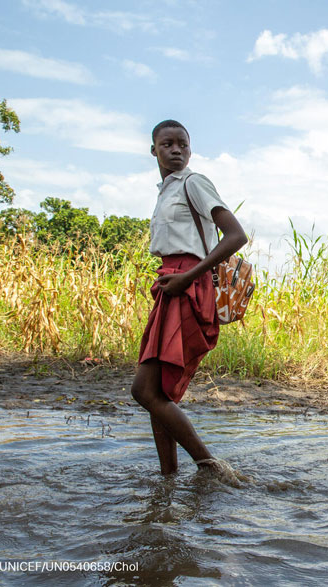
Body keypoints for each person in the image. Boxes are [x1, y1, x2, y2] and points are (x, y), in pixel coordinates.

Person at [131, 119, 248, 479]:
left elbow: (235, 235)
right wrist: (176, 279)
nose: (176, 150)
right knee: (157, 392)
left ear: (190, 148)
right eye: (167, 144)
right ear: (154, 150)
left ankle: (209, 465)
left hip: (187, 283)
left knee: (144, 390)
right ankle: (168, 479)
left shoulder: (193, 183)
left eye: (182, 143)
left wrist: (186, 278)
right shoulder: (164, 191)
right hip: (171, 283)